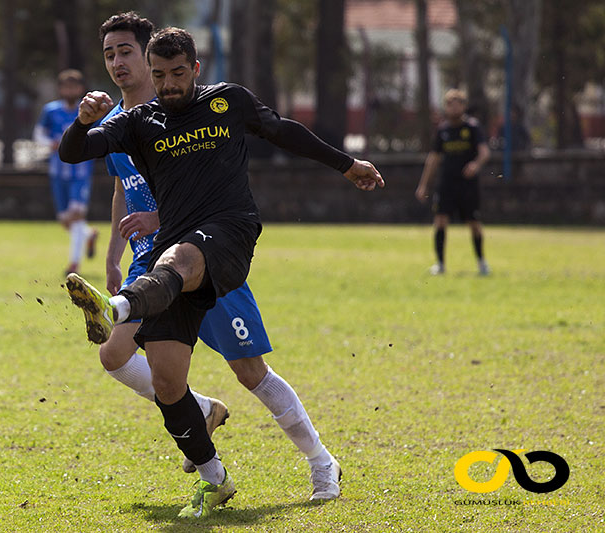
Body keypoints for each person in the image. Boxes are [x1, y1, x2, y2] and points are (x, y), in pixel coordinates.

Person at [59, 27, 384, 518]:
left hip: (223, 243)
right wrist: (82, 123)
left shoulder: (225, 102)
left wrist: (346, 164)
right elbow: (75, 152)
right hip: (164, 258)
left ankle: (322, 461)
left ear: (194, 67)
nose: (168, 83)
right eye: (112, 54)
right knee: (167, 383)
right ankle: (215, 479)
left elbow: (285, 131)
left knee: (248, 368)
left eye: (175, 73)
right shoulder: (135, 122)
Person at [415, 89, 491, 276]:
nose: (452, 107)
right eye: (449, 103)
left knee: (473, 222)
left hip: (467, 185)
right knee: (440, 220)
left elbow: (484, 152)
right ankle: (440, 264)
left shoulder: (472, 128)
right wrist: (423, 184)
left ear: (464, 106)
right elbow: (433, 159)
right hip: (447, 183)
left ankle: (481, 262)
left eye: (456, 103)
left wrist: (475, 164)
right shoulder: (443, 130)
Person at [34, 69, 99, 275]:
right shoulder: (51, 111)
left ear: (80, 89)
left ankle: (73, 265)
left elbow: (99, 134)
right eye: (66, 86)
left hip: (80, 173)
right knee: (64, 220)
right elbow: (38, 134)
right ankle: (88, 236)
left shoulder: (88, 110)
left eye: (74, 86)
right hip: (57, 172)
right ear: (60, 89)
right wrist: (50, 143)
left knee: (76, 216)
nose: (70, 90)